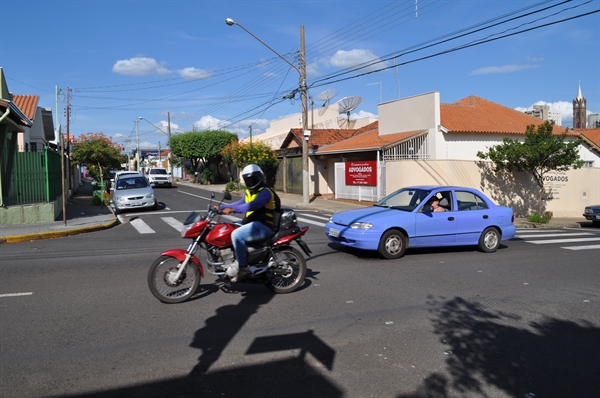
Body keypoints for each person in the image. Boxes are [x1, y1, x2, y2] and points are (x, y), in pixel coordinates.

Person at [218, 164, 281, 282]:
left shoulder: (265, 192)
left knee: (236, 235)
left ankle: (243, 267)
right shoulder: (250, 192)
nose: (251, 182)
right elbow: (239, 203)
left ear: (260, 177)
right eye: (248, 180)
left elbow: (253, 205)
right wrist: (221, 207)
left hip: (265, 225)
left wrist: (232, 210)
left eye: (253, 179)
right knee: (227, 228)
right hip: (254, 223)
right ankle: (236, 258)